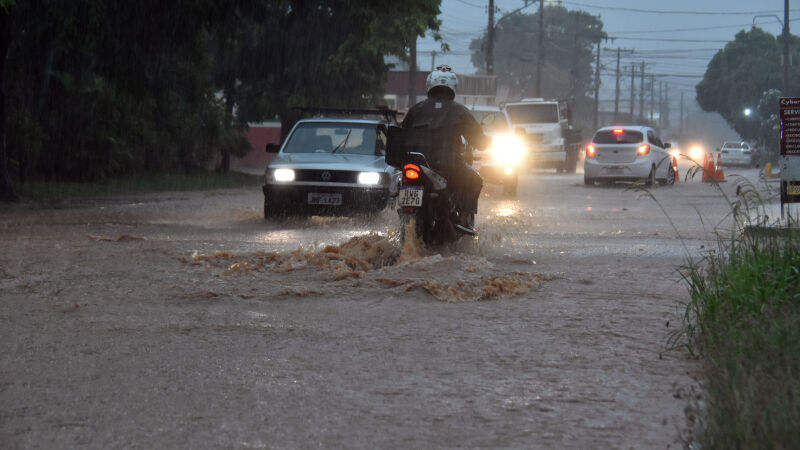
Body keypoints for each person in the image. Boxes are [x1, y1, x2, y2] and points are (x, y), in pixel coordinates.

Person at [401, 65, 490, 232]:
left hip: (416, 165)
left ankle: (406, 223)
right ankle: (464, 218)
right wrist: (487, 141)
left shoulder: (416, 110)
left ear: (429, 85)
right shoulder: (460, 111)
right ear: (453, 87)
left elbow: (401, 135)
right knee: (475, 181)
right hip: (450, 166)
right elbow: (480, 141)